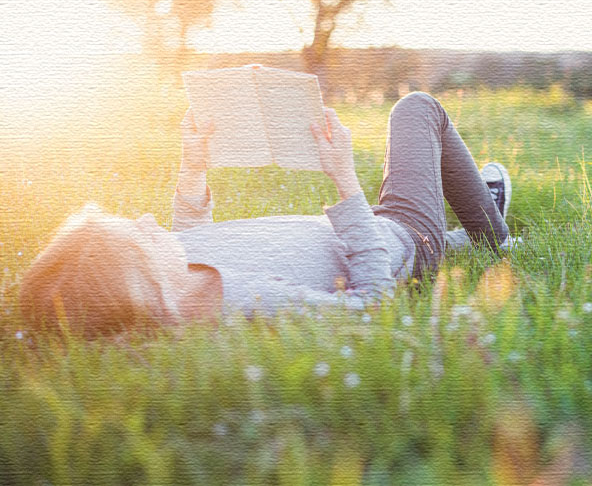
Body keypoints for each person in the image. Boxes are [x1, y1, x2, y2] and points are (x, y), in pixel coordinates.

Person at [19, 92, 512, 337]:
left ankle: (467, 227)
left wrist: (193, 168)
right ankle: (492, 234)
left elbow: (191, 239)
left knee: (435, 203)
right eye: (143, 238)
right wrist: (343, 176)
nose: (149, 222)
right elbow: (374, 304)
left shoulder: (178, 279)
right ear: (148, 286)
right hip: (400, 239)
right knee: (417, 108)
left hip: (359, 230)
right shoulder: (240, 301)